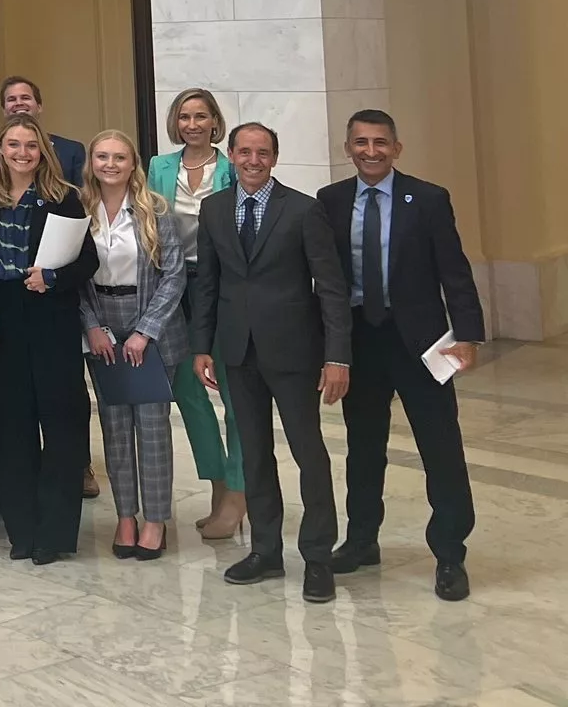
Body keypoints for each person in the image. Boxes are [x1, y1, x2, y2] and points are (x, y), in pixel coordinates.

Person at [318, 109, 484, 602]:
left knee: (441, 447)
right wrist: (327, 348)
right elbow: (323, 281)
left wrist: (468, 334)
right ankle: (363, 540)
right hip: (360, 341)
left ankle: (450, 553)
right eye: (361, 142)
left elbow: (454, 270)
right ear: (347, 148)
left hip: (421, 342)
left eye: (381, 142)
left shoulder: (428, 199)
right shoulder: (330, 201)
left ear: (397, 147)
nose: (371, 151)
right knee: (363, 445)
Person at [191, 122, 350, 603]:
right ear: (232, 156)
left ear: (275, 158)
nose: (253, 160)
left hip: (295, 353)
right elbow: (207, 285)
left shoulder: (303, 210)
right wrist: (202, 346)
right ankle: (265, 550)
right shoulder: (214, 208)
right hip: (238, 352)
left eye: (263, 153)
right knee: (254, 454)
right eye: (244, 152)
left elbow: (331, 288)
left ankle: (318, 556)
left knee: (308, 452)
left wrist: (337, 355)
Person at [0, 114, 97, 565]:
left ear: (41, 150)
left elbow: (88, 262)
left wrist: (54, 277)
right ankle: (21, 531)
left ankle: (56, 533)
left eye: (30, 145)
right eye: (13, 145)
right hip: (1, 326)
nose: (22, 153)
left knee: (62, 430)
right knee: (11, 432)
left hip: (51, 322)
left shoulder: (64, 199)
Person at [80, 129, 185, 561]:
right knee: (115, 426)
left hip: (149, 327)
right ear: (92, 162)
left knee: (152, 426)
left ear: (133, 163)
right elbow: (73, 278)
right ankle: (126, 516)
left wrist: (145, 331)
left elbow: (174, 276)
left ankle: (156, 519)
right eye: (101, 156)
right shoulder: (79, 212)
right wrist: (91, 326)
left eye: (119, 157)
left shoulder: (156, 212)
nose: (110, 164)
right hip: (101, 324)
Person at [146, 88, 244, 540]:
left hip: (221, 285)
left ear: (214, 122)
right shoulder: (158, 167)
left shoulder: (231, 168)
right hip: (175, 283)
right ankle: (217, 483)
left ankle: (239, 493)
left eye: (201, 116)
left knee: (232, 390)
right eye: (184, 116)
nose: (192, 124)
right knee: (188, 390)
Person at [0, 76, 86, 187]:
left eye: (25, 98)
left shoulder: (72, 151)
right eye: (11, 99)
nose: (18, 103)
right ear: (4, 110)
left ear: (39, 107)